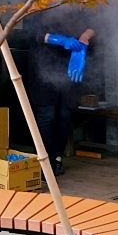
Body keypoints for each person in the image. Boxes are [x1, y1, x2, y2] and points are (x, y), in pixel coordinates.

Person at [26, 17, 94, 177]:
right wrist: (60, 40)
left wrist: (85, 37)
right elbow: (32, 32)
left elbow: (93, 25)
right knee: (47, 114)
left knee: (65, 114)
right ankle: (42, 160)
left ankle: (56, 157)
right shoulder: (37, 1)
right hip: (43, 65)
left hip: (70, 64)